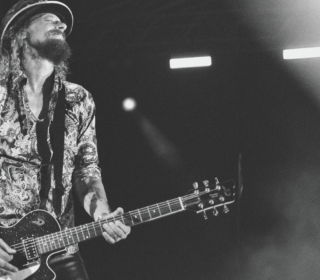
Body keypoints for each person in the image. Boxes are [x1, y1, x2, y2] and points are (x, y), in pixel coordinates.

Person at [0, 0, 131, 279]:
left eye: (62, 23)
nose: (60, 25)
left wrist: (102, 214)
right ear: (20, 33)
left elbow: (86, 171)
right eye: (49, 19)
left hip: (61, 250)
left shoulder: (77, 100)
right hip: (6, 258)